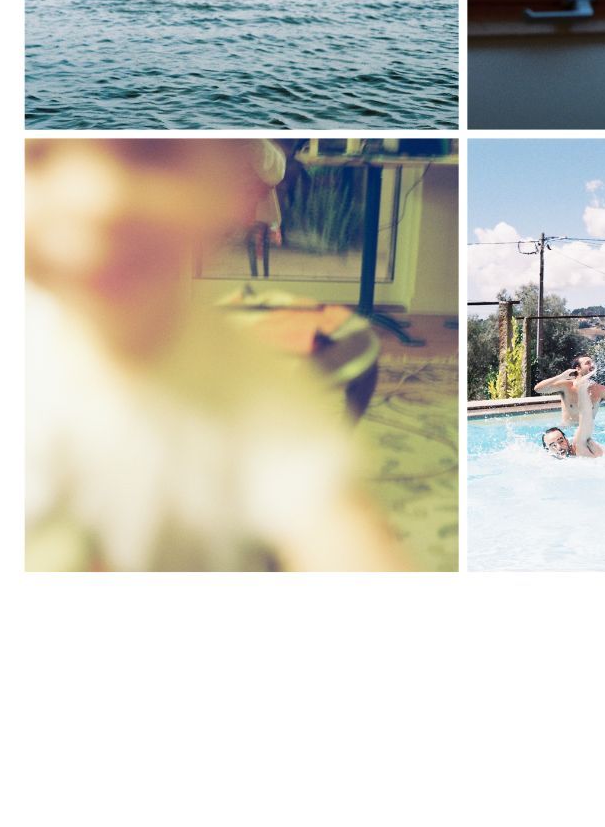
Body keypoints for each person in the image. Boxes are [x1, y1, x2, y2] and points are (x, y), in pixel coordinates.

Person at [24, 138, 409, 571]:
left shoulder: (254, 383)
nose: (96, 200)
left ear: (232, 188)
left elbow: (333, 525)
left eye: (148, 153)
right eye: (33, 156)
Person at [535, 356, 605, 429]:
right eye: (588, 363)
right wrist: (560, 376)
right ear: (578, 369)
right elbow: (538, 389)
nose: (592, 365)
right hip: (568, 431)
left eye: (592, 362)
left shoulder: (600, 389)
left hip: (588, 432)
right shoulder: (566, 386)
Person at [539, 366, 604, 457]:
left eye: (561, 441)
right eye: (552, 445)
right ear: (547, 449)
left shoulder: (578, 447)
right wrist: (561, 376)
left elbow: (585, 418)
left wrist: (582, 391)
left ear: (566, 440)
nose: (559, 448)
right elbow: (538, 389)